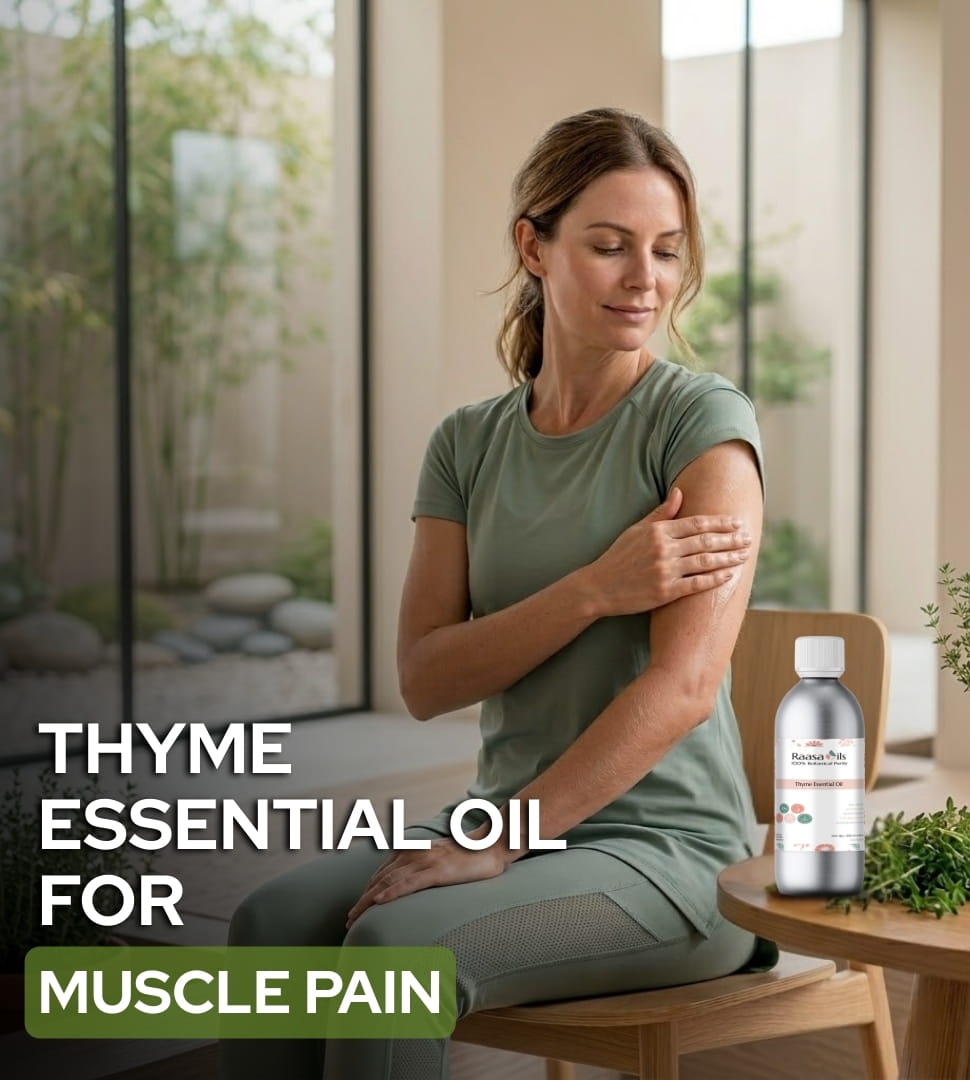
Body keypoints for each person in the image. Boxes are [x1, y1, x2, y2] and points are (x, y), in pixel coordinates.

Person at [223, 106, 774, 1080]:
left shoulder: (700, 425)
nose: (645, 278)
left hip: (671, 855)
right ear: (535, 245)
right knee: (269, 928)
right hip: (504, 821)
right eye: (609, 246)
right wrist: (596, 588)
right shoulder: (468, 444)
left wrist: (506, 840)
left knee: (397, 958)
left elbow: (683, 688)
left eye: (666, 250)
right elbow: (426, 678)